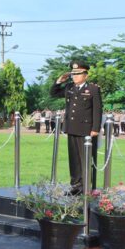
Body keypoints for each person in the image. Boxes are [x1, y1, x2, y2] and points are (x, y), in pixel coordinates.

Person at [50, 61, 102, 194]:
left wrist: (95, 129)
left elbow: (97, 110)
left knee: (85, 159)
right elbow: (53, 93)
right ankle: (75, 186)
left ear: (86, 75)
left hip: (86, 130)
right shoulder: (69, 88)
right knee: (74, 159)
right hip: (72, 127)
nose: (74, 76)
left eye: (78, 74)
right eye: (73, 74)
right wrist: (58, 81)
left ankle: (85, 187)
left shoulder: (93, 89)